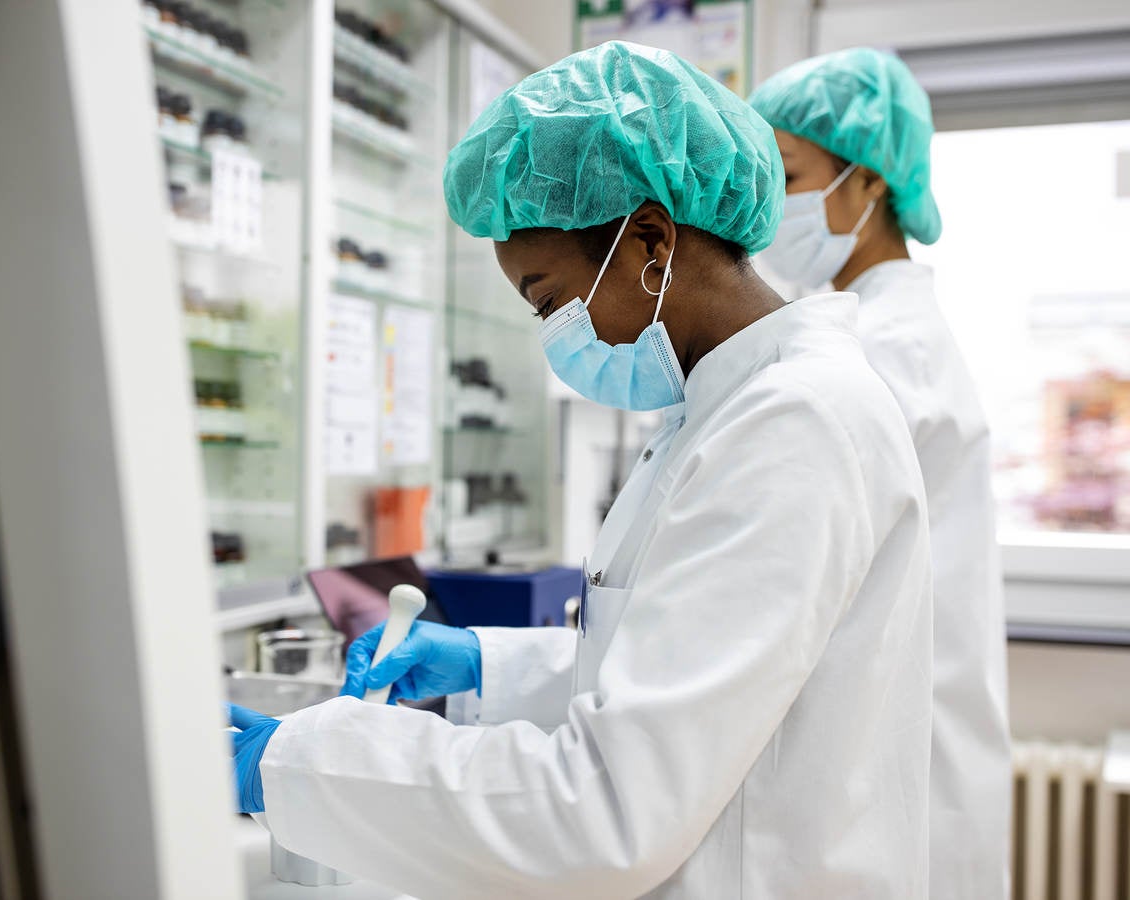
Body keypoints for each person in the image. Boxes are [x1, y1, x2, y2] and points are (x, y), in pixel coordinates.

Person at [228, 41, 934, 899]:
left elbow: (606, 810)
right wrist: (490, 665)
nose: (555, 333)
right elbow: (684, 667)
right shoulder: (721, 410)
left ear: (650, 239)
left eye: (550, 299)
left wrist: (292, 761)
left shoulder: (792, 423)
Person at [749, 47, 1012, 900]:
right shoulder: (868, 330)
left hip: (900, 777)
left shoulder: (885, 350)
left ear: (866, 186)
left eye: (787, 174)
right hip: (904, 763)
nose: (766, 206)